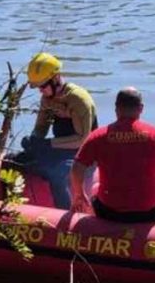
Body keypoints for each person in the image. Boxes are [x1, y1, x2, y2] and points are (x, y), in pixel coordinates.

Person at [69, 87, 155, 223]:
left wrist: (79, 194)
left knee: (95, 191)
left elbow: (76, 169)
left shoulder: (98, 136)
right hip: (148, 212)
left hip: (109, 211)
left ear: (116, 109)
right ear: (141, 108)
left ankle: (98, 231)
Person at [18, 52, 97, 209]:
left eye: (42, 86)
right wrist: (33, 141)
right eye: (38, 87)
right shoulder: (47, 100)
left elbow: (82, 139)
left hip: (84, 155)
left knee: (57, 174)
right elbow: (41, 128)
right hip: (60, 151)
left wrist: (48, 144)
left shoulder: (78, 100)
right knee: (15, 160)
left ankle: (66, 213)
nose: (40, 90)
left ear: (55, 78)